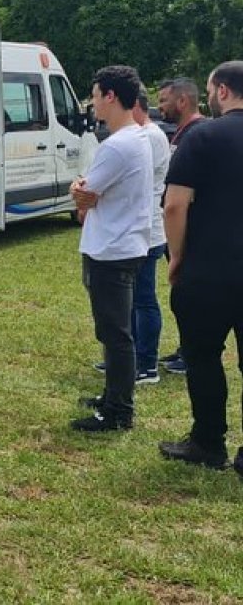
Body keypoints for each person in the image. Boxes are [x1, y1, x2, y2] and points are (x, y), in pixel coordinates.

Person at [158, 61, 243, 473]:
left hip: (209, 270)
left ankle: (208, 443)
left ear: (222, 91)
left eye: (211, 89)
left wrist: (177, 256)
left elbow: (175, 204)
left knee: (203, 357)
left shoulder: (203, 136)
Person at [69, 65, 152, 432]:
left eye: (95, 94)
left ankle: (119, 411)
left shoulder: (117, 146)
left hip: (112, 249)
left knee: (116, 334)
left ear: (111, 97)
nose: (93, 102)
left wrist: (78, 191)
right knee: (113, 331)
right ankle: (112, 396)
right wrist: (84, 191)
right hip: (122, 244)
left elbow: (85, 195)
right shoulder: (137, 138)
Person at [155, 77, 207, 375]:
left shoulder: (197, 133)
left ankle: (192, 352)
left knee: (190, 297)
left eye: (164, 100)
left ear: (183, 101)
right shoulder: (183, 133)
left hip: (188, 230)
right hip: (179, 228)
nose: (160, 107)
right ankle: (186, 347)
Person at [130, 90, 170, 384]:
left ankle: (147, 364)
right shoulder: (142, 134)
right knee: (131, 298)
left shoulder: (152, 137)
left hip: (150, 231)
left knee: (144, 299)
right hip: (138, 230)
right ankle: (128, 357)